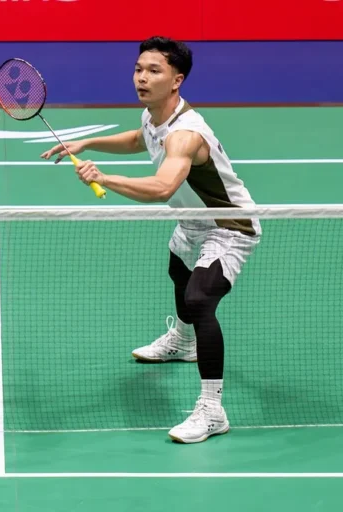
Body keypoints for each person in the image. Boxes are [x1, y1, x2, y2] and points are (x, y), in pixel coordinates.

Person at [41, 36, 261, 444]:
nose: (142, 77)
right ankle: (183, 342)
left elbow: (162, 188)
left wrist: (103, 177)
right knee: (178, 269)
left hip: (227, 225)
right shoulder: (154, 115)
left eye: (154, 71)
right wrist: (87, 142)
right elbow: (138, 139)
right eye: (139, 69)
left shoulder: (186, 134)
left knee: (199, 299)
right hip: (192, 220)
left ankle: (212, 410)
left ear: (177, 80)